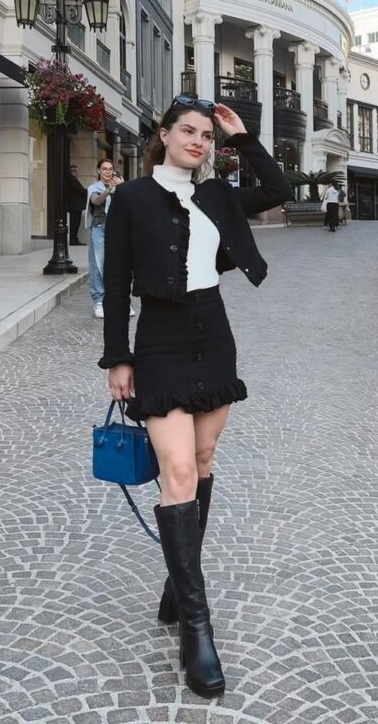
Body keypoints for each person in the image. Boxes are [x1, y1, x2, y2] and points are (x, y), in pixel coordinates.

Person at [100, 95, 293, 698]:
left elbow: (279, 188)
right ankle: (197, 627)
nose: (198, 142)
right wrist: (118, 357)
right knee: (178, 470)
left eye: (206, 136)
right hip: (159, 338)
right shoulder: (132, 198)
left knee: (203, 461)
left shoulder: (216, 196)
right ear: (163, 135)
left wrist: (242, 136)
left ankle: (175, 586)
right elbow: (116, 282)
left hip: (213, 334)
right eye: (188, 131)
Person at [86, 158, 124, 318]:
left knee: (118, 265)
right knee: (98, 265)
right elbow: (96, 201)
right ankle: (99, 301)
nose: (108, 172)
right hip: (99, 228)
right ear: (98, 171)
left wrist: (123, 187)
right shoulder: (94, 187)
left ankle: (119, 300)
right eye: (104, 169)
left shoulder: (119, 186)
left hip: (117, 228)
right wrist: (109, 190)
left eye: (110, 169)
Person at [66, 165, 88, 245]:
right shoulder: (71, 179)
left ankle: (74, 239)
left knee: (75, 223)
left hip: (75, 205)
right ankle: (73, 239)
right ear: (73, 171)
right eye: (76, 170)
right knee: (74, 223)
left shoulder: (72, 179)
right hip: (75, 206)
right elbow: (79, 190)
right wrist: (87, 191)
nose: (78, 172)